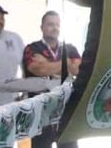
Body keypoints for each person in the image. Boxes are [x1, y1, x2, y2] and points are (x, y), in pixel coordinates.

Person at [22, 10, 81, 148]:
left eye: (57, 25)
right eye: (50, 24)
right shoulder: (31, 48)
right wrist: (66, 63)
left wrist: (48, 65)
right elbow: (38, 69)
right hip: (41, 115)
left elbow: (77, 69)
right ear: (41, 27)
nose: (55, 28)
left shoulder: (70, 48)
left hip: (66, 114)